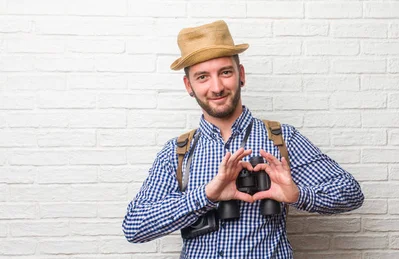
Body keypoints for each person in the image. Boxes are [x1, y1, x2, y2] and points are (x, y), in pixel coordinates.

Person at [122, 20, 364, 259]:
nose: (216, 87)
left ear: (242, 75)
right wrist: (206, 196)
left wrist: (297, 195)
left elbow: (351, 193)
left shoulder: (280, 138)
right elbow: (134, 226)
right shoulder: (178, 152)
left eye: (225, 72)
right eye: (203, 77)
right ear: (189, 85)